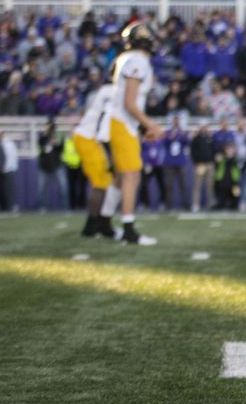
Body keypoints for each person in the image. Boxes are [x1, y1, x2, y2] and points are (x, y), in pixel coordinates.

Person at [99, 22, 162, 245]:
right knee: (131, 176)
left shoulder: (129, 58)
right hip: (121, 122)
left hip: (122, 123)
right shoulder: (137, 60)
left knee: (122, 177)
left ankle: (104, 222)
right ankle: (128, 229)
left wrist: (142, 127)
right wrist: (151, 126)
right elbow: (130, 103)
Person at [74, 84, 117, 238]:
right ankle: (91, 227)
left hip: (87, 136)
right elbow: (103, 132)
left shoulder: (108, 89)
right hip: (90, 139)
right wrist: (111, 159)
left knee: (106, 182)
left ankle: (98, 224)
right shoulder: (116, 94)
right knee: (101, 184)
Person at [37, 118, 69, 210]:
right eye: (47, 125)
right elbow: (40, 145)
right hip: (44, 165)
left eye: (50, 125)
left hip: (57, 164)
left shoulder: (59, 134)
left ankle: (65, 207)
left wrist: (56, 144)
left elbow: (62, 148)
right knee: (42, 188)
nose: (49, 127)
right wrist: (46, 136)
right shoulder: (43, 135)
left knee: (63, 187)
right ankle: (42, 207)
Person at [162, 118, 191, 211]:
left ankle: (185, 204)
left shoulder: (182, 132)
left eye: (177, 120)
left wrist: (183, 135)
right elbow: (164, 143)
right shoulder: (168, 132)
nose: (176, 122)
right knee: (169, 185)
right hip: (170, 162)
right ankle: (168, 205)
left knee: (183, 184)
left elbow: (187, 142)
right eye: (175, 120)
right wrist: (171, 137)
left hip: (180, 162)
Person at [190, 125, 216, 211]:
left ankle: (210, 203)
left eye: (205, 127)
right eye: (202, 127)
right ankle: (195, 204)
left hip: (209, 163)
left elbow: (214, 150)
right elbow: (192, 151)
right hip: (200, 164)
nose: (204, 129)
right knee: (197, 185)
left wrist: (213, 161)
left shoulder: (210, 138)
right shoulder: (196, 139)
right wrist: (196, 162)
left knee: (210, 185)